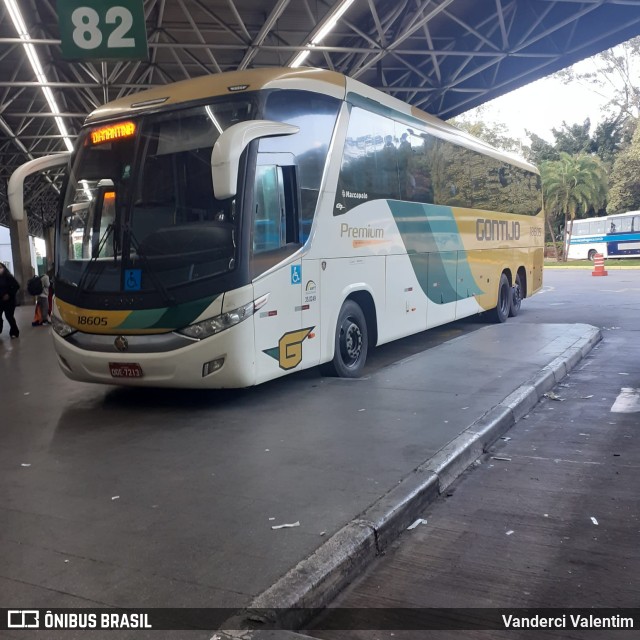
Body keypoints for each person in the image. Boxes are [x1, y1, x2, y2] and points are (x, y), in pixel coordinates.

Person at [0, 263, 20, 338]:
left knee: (9, 316)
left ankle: (14, 332)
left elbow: (16, 286)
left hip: (9, 301)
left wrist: (9, 294)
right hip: (0, 301)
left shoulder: (8, 277)